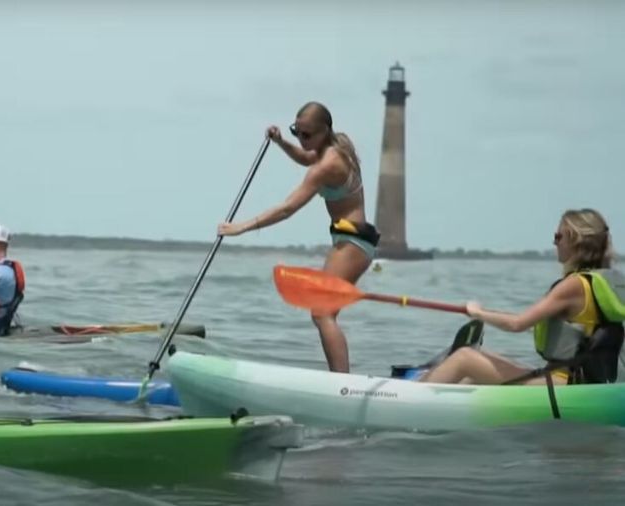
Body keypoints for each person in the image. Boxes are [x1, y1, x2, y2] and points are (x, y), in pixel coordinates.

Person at [217, 102, 379, 373]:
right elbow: (305, 156)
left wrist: (242, 227)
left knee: (322, 312)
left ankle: (342, 384)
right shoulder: (332, 148)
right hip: (350, 241)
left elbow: (288, 208)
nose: (301, 140)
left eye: (307, 135)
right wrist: (281, 141)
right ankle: (340, 380)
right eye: (296, 132)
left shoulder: (328, 164)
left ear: (324, 131)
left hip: (353, 245)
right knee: (324, 313)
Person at [419, 209, 625, 385]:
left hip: (563, 384)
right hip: (578, 380)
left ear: (575, 240)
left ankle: (407, 396)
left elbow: (517, 324)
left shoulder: (574, 285)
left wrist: (478, 313)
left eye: (558, 237)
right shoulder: (607, 283)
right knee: (480, 361)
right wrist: (486, 313)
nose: (554, 243)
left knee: (464, 357)